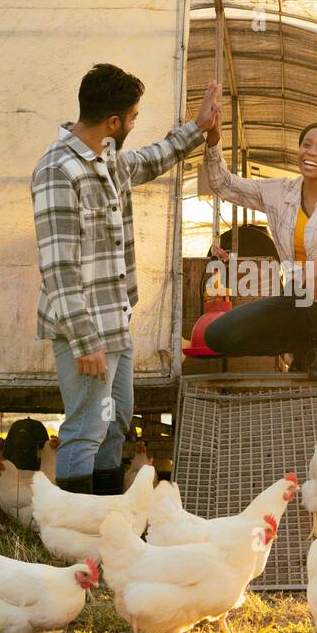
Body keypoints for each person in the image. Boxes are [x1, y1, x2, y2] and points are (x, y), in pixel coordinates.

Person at [33, 65, 221, 495]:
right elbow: (59, 266)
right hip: (86, 328)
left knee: (115, 427)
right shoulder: (58, 170)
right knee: (85, 429)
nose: (135, 124)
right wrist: (85, 340)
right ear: (113, 123)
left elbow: (151, 159)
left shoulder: (108, 159)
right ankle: (76, 544)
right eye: (134, 117)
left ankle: (106, 528)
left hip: (115, 322)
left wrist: (199, 126)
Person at [199, 119, 317, 379]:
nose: (312, 152)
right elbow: (223, 184)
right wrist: (214, 137)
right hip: (298, 299)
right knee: (218, 336)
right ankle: (299, 345)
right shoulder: (279, 192)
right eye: (306, 145)